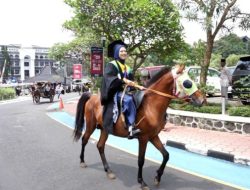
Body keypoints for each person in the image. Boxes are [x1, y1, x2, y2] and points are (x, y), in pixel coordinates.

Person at [100, 40, 142, 139]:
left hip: (126, 91)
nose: (124, 53)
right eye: (121, 51)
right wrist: (123, 80)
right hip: (114, 92)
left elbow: (131, 81)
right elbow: (109, 78)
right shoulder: (111, 65)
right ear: (116, 53)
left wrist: (137, 86)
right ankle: (131, 127)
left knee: (139, 98)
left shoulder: (127, 68)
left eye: (125, 51)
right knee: (128, 100)